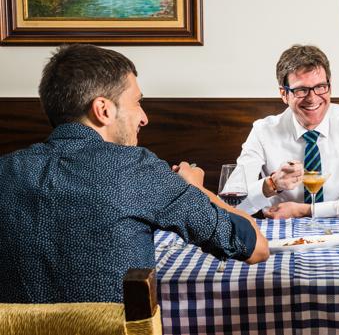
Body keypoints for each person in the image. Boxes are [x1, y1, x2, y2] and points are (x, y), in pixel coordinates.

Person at [0, 44, 269, 304]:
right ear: (103, 110)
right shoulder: (136, 169)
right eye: (137, 102)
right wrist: (194, 188)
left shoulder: (5, 171)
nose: (144, 118)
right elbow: (255, 247)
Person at [229, 44, 339, 219]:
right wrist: (271, 184)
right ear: (284, 94)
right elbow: (230, 205)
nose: (312, 98)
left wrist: (306, 211)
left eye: (320, 87)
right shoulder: (263, 131)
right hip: (281, 236)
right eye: (301, 90)